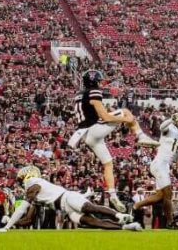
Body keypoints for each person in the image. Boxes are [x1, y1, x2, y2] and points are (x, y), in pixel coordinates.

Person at [68, 70, 158, 212]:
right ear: (94, 81)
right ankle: (141, 136)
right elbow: (105, 117)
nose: (100, 83)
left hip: (85, 135)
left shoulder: (79, 95)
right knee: (126, 112)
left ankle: (113, 195)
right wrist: (126, 120)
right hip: (94, 129)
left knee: (108, 164)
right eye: (98, 80)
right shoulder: (94, 92)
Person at [0, 165, 141, 232]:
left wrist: (6, 226)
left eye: (21, 180)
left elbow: (22, 208)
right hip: (65, 209)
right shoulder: (35, 194)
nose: (20, 183)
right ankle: (125, 227)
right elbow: (28, 220)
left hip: (67, 198)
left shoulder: (33, 183)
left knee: (91, 208)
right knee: (92, 222)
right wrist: (12, 223)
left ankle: (119, 215)